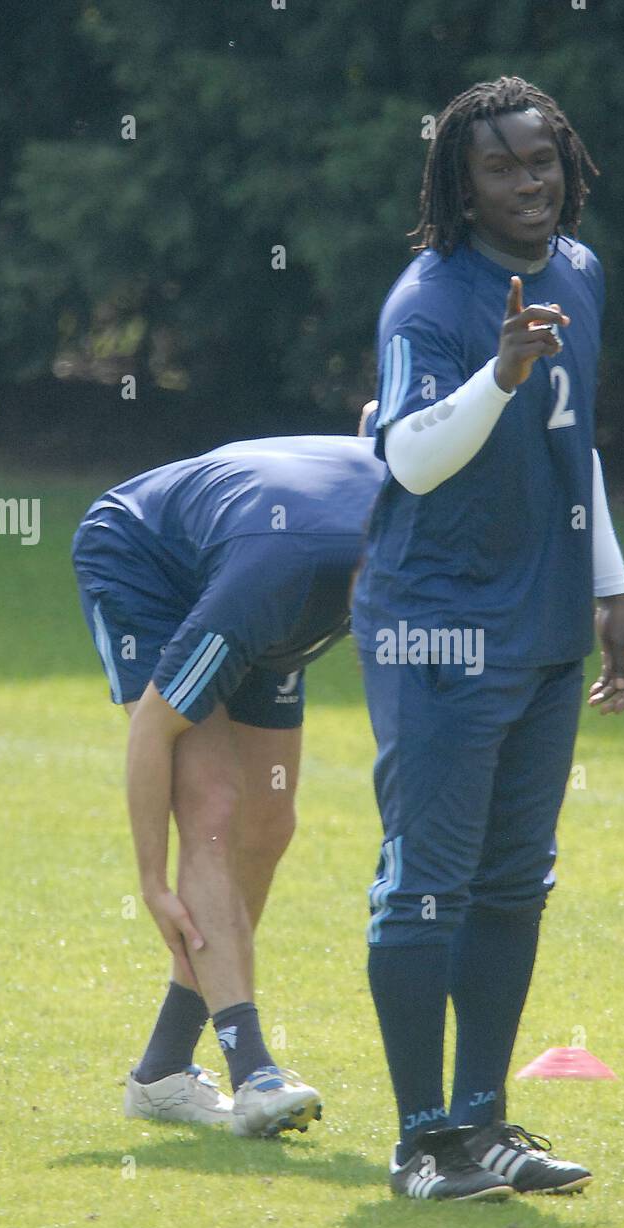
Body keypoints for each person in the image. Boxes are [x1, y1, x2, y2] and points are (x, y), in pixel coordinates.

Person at [352, 76, 624, 1200]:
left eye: (542, 161)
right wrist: (497, 371)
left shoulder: (578, 271)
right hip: (437, 629)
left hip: (540, 624)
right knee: (426, 884)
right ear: (459, 189)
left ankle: (485, 1122)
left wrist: (609, 591)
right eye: (500, 168)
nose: (529, 183)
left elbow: (577, 444)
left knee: (514, 881)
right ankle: (419, 1137)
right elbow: (411, 457)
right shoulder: (426, 303)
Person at [72, 425, 382, 1137]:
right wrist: (153, 881)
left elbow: (381, 417)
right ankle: (254, 1073)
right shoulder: (273, 583)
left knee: (268, 823)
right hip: (150, 562)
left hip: (259, 559)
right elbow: (153, 729)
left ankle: (162, 1073)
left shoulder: (424, 517)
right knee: (212, 804)